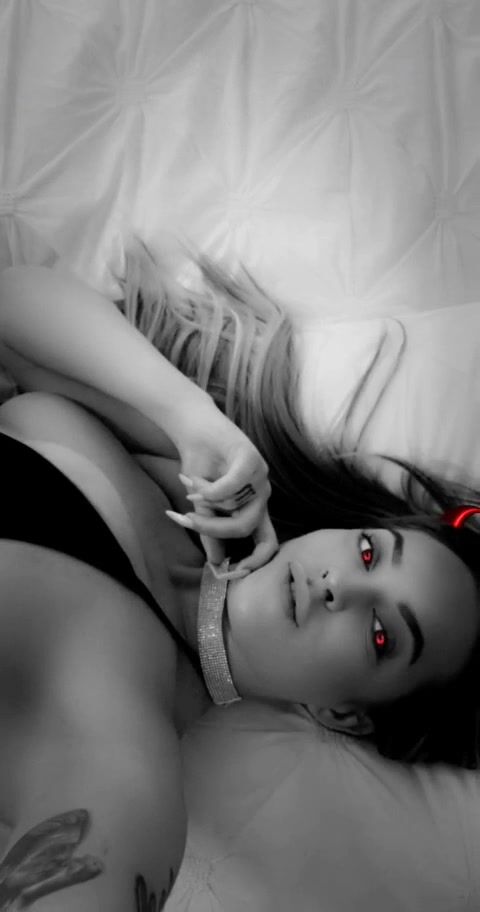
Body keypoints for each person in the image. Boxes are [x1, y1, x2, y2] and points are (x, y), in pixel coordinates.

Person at [0, 255, 478, 911]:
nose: (341, 587)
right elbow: (12, 300)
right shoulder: (180, 464)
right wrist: (189, 415)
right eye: (369, 552)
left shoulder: (126, 760)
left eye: (380, 633)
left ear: (343, 713)